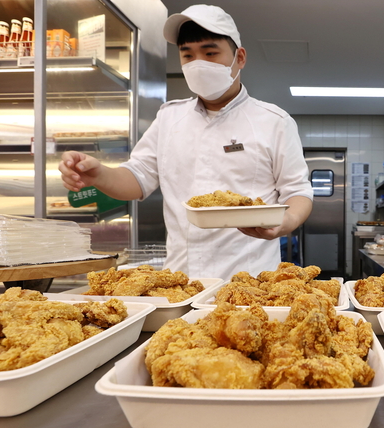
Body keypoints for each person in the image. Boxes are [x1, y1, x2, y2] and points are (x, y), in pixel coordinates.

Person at [58, 4, 313, 281]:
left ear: (239, 57)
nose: (198, 63)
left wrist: (284, 223)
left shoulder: (273, 121)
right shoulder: (170, 118)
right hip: (182, 281)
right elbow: (138, 177)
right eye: (188, 55)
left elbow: (297, 191)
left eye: (210, 53)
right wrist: (100, 174)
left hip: (251, 282)